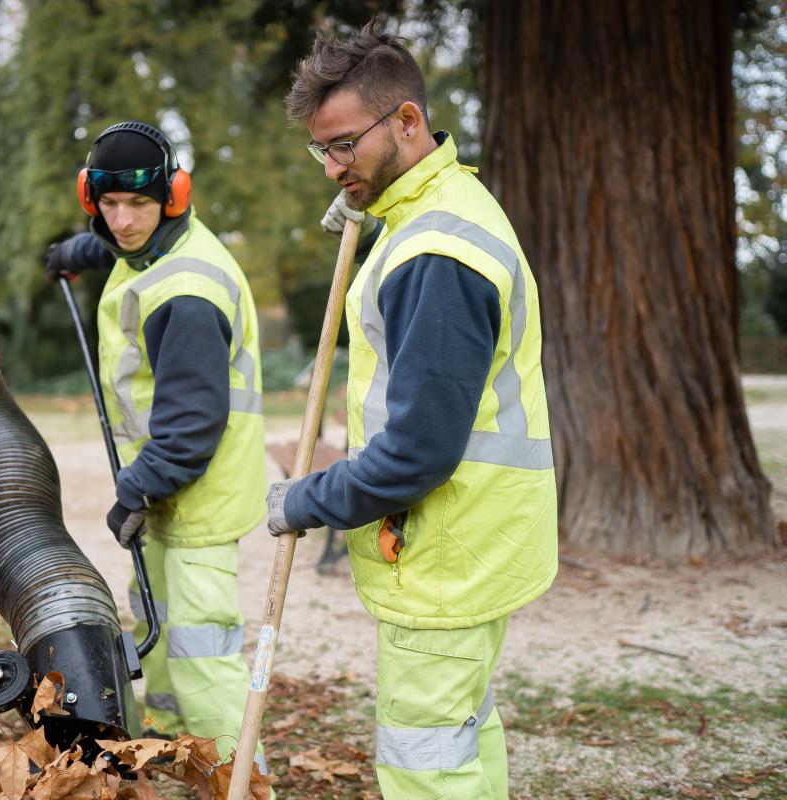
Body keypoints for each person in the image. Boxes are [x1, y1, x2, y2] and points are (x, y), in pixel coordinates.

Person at [265, 24, 558, 799]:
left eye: (342, 146)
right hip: (478, 542)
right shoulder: (439, 209)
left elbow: (418, 453)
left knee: (425, 760)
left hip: (445, 553)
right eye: (320, 151)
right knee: (462, 731)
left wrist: (305, 499)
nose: (331, 169)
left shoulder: (435, 252)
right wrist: (375, 209)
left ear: (404, 121)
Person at [44, 121, 269, 775]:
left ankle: (237, 780)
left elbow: (192, 424)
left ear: (173, 196)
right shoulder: (142, 248)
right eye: (108, 206)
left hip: (196, 490)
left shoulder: (189, 292)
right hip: (173, 488)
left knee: (202, 654)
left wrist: (135, 489)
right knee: (163, 631)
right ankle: (179, 755)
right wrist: (75, 252)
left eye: (138, 205)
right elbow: (117, 248)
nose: (123, 221)